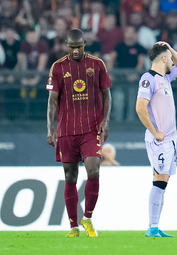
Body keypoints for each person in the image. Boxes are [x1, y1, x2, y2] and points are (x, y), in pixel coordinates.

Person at [46, 29, 112, 238]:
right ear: (66, 45)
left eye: (79, 47)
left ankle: (88, 218)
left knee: (93, 170)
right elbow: (52, 101)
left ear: (85, 43)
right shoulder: (57, 67)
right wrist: (50, 128)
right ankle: (73, 226)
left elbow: (106, 94)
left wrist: (105, 120)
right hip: (67, 130)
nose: (75, 51)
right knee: (70, 176)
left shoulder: (97, 64)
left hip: (91, 128)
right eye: (71, 47)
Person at [136, 41, 177, 237]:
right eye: (170, 57)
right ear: (164, 59)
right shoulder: (148, 79)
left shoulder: (166, 77)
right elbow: (140, 108)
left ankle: (155, 227)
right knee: (160, 181)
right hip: (159, 140)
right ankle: (152, 227)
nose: (173, 60)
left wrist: (170, 48)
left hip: (170, 140)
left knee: (163, 181)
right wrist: (155, 131)